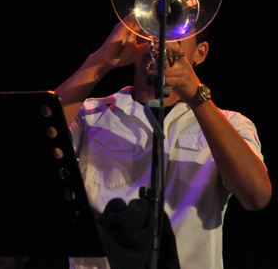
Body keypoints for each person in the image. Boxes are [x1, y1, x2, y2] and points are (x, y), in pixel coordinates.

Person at [55, 15, 271, 269]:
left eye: (176, 31)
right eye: (151, 31)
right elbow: (27, 150)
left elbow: (256, 197)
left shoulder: (231, 123)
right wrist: (100, 62)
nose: (161, 40)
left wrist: (195, 94)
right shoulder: (89, 114)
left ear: (200, 53)